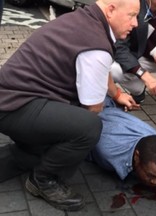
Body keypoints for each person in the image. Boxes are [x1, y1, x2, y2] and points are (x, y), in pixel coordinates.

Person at [0, 0, 140, 211]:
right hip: (14, 106)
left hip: (13, 96)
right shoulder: (96, 43)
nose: (135, 23)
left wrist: (117, 93)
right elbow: (92, 109)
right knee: (89, 127)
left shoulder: (86, 19)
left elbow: (101, 69)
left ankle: (29, 151)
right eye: (131, 15)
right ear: (111, 10)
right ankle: (44, 179)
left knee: (41, 148)